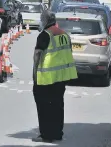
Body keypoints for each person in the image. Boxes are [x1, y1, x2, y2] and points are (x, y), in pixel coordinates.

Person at [32, 11, 78, 143]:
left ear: (45, 21)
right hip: (61, 78)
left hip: (46, 78)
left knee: (44, 107)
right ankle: (58, 133)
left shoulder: (44, 35)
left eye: (41, 19)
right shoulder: (64, 34)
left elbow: (37, 55)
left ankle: (46, 135)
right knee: (58, 105)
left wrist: (35, 74)